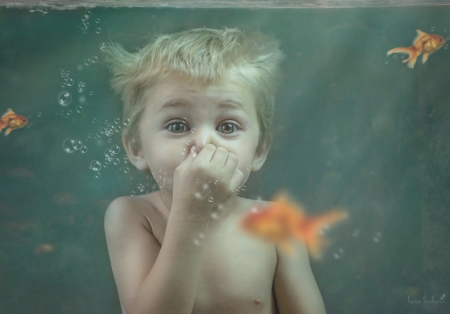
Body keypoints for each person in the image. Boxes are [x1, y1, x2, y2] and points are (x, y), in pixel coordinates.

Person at [103, 27, 326, 314]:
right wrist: (190, 213)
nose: (204, 143)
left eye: (227, 127)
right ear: (137, 148)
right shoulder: (133, 216)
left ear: (258, 150)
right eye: (177, 126)